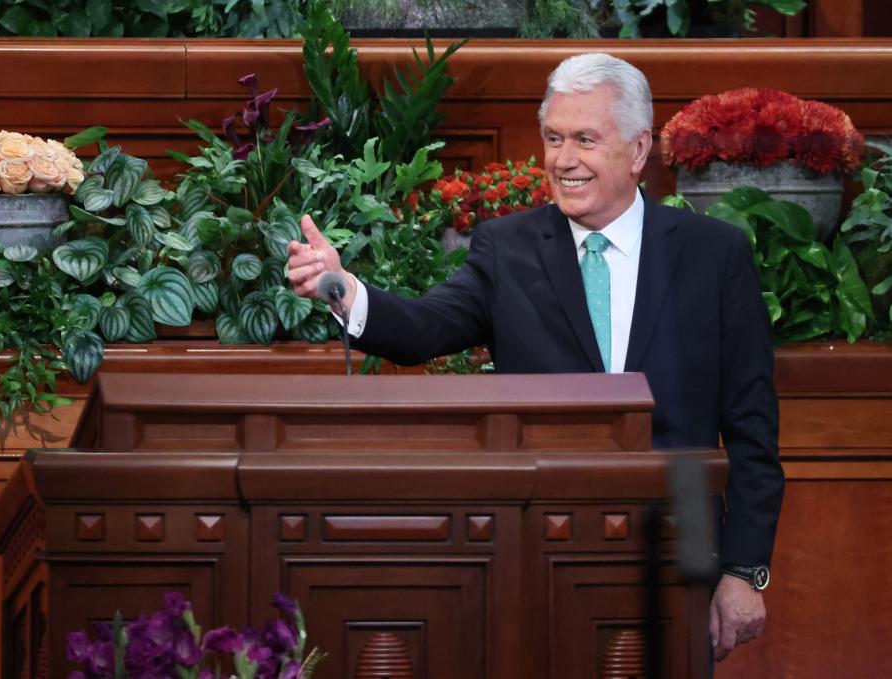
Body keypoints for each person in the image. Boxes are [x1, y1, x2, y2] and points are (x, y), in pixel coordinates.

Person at [287, 51, 784, 662]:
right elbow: (423, 329)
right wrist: (344, 290)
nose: (563, 159)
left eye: (584, 139)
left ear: (637, 150)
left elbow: (753, 433)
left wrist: (744, 571)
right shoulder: (508, 247)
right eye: (553, 138)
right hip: (541, 538)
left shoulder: (716, 255)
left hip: (680, 542)